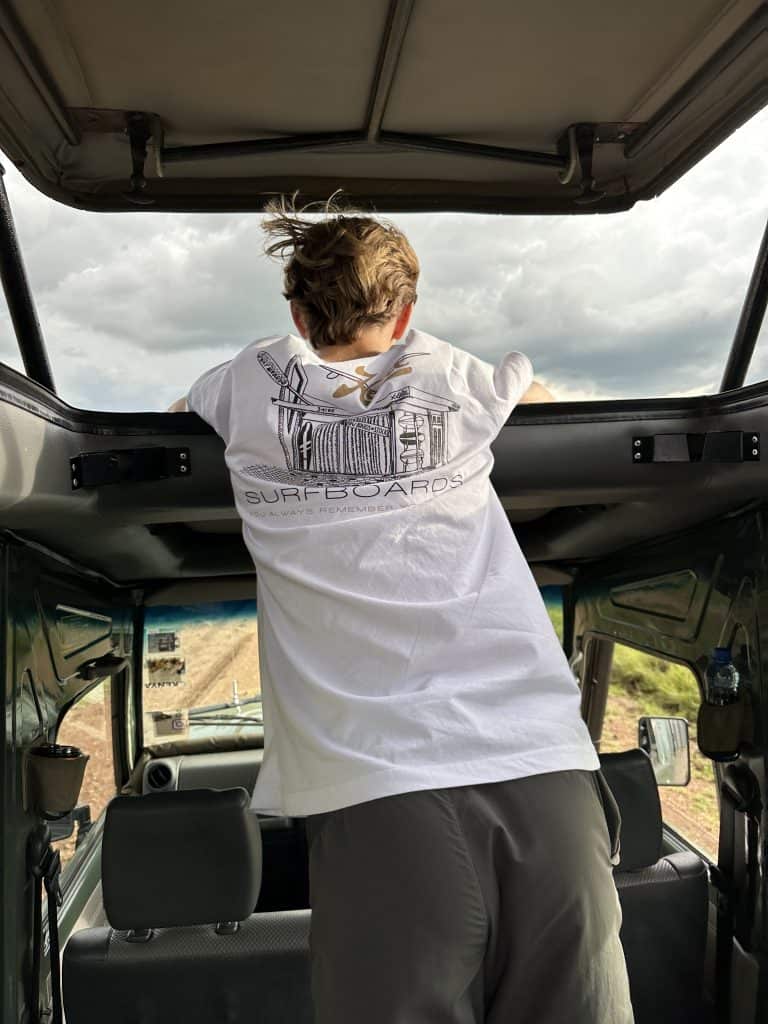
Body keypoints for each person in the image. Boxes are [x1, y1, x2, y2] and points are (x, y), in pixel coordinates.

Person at [171, 198, 634, 1024]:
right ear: (407, 312)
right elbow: (552, 404)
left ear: (298, 315)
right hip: (547, 775)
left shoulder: (248, 383)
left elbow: (175, 420)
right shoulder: (452, 376)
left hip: (379, 794)